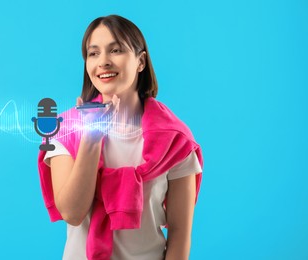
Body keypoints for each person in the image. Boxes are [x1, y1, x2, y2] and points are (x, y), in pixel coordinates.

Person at [37, 14, 203, 260]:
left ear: (141, 62)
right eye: (93, 53)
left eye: (116, 50)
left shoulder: (175, 141)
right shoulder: (67, 129)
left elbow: (180, 233)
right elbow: (72, 212)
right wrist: (91, 142)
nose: (103, 62)